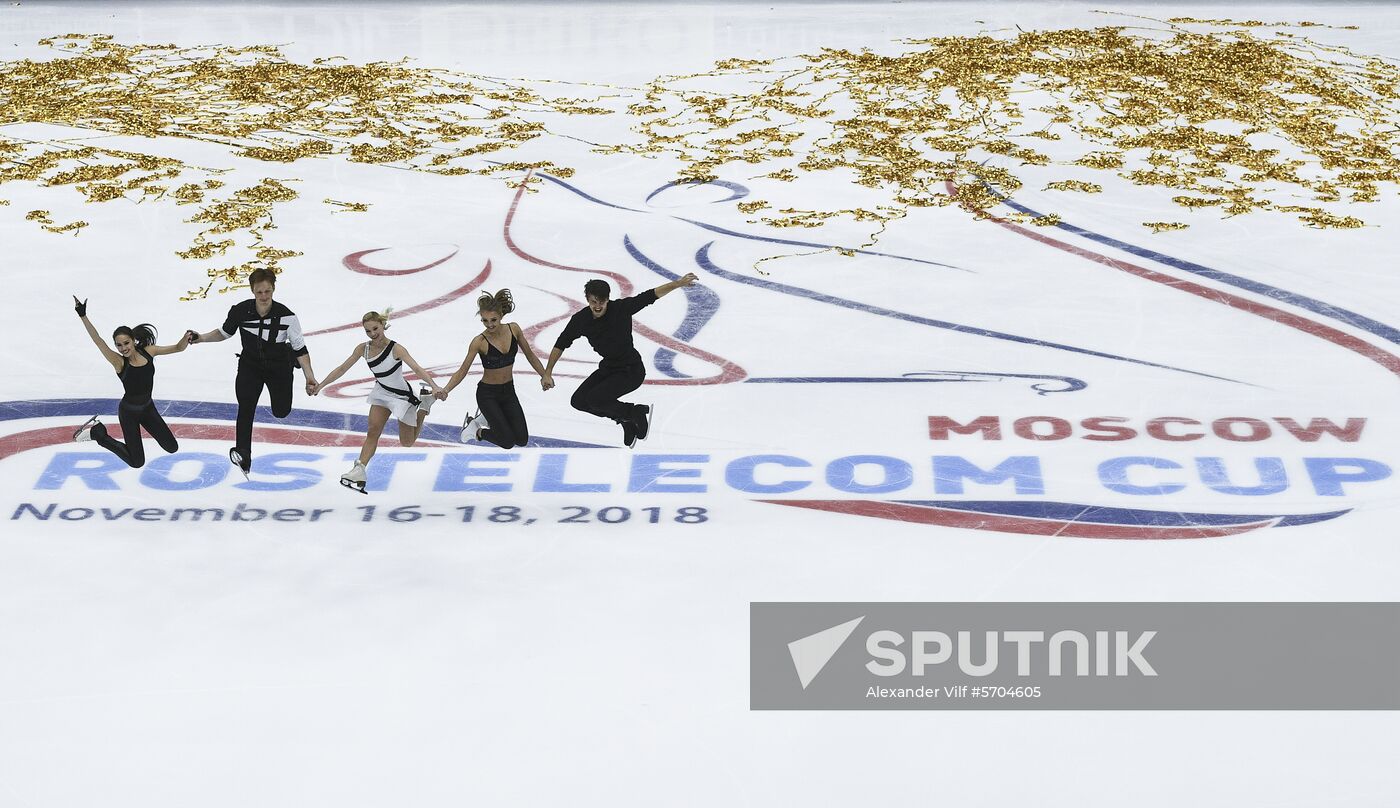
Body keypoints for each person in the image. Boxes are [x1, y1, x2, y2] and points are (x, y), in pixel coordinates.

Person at [184, 268, 318, 478]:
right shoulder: (240, 311)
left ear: (273, 289)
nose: (264, 297)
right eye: (259, 292)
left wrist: (309, 376)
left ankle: (286, 355)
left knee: (281, 411)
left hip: (279, 367)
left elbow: (301, 348)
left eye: (267, 291)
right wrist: (201, 338)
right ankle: (244, 453)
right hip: (250, 366)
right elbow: (224, 332)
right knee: (246, 406)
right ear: (252, 291)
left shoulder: (287, 316)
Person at [543, 273, 697, 447]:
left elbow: (650, 296)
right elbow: (561, 343)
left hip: (631, 370)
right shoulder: (581, 320)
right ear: (587, 300)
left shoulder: (621, 309)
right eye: (593, 301)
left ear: (608, 299)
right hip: (609, 368)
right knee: (578, 401)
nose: (598, 306)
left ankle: (635, 411)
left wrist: (677, 284)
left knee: (595, 399)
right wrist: (548, 372)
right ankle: (624, 418)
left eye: (602, 301)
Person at [308, 311, 445, 493]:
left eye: (375, 328)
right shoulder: (363, 349)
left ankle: (425, 405)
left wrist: (434, 386)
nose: (372, 334)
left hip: (402, 396)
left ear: (382, 325)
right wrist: (321, 385)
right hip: (381, 392)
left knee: (407, 442)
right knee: (373, 431)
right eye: (368, 331)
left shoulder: (397, 349)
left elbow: (417, 369)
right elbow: (342, 369)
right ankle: (359, 469)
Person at [71, 296, 191, 468]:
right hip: (129, 413)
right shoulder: (119, 362)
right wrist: (83, 315)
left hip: (148, 408)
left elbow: (177, 348)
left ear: (133, 340)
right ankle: (98, 434)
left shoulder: (149, 351)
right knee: (137, 462)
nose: (123, 348)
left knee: (172, 447)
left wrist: (186, 337)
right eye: (119, 345)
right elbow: (99, 341)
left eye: (126, 343)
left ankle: (99, 434)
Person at [442, 289, 552, 449]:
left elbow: (530, 355)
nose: (490, 324)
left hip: (508, 391)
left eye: (493, 319)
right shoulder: (479, 342)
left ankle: (488, 419)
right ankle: (475, 430)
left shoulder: (514, 329)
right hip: (488, 395)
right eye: (485, 321)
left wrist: (544, 375)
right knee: (507, 442)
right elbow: (462, 370)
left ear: (501, 316)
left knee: (521, 440)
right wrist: (446, 389)